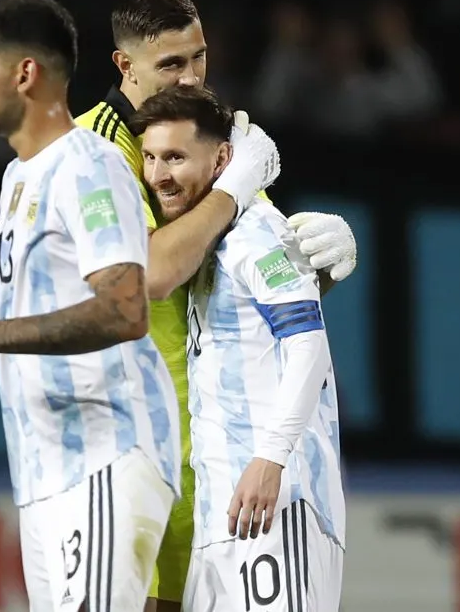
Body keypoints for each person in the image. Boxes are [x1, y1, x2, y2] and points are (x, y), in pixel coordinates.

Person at [0, 0, 274, 612]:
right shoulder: (23, 175)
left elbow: (131, 300)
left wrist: (301, 255)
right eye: (173, 63)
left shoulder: (94, 161)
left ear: (24, 73)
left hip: (116, 445)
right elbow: (50, 305)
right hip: (49, 461)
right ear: (126, 64)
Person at [74, 0, 357, 611]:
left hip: (214, 456)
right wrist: (237, 182)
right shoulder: (94, 151)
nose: (191, 76)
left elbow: (258, 293)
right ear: (124, 65)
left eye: (198, 57)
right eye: (171, 64)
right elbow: (152, 274)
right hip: (130, 451)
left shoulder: (213, 139)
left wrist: (325, 263)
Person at [132, 85, 345, 612]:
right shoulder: (206, 242)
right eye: (151, 158)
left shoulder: (256, 232)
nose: (158, 175)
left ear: (223, 159)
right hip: (223, 512)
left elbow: (307, 344)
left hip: (276, 505)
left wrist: (270, 459)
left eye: (175, 157)